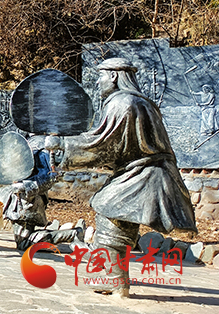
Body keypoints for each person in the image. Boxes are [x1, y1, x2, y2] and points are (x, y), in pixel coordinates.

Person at [49, 57, 197, 296]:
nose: (98, 82)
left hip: (144, 175)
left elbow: (104, 144)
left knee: (110, 213)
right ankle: (112, 276)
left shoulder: (123, 102)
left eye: (101, 75)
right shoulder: (139, 102)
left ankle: (116, 281)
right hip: (142, 172)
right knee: (113, 216)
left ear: (114, 76)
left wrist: (63, 146)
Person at [0, 135, 83, 251]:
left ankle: (72, 234)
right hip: (12, 191)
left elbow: (50, 177)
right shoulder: (27, 139)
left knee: (24, 243)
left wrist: (27, 186)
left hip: (28, 198)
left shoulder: (44, 147)